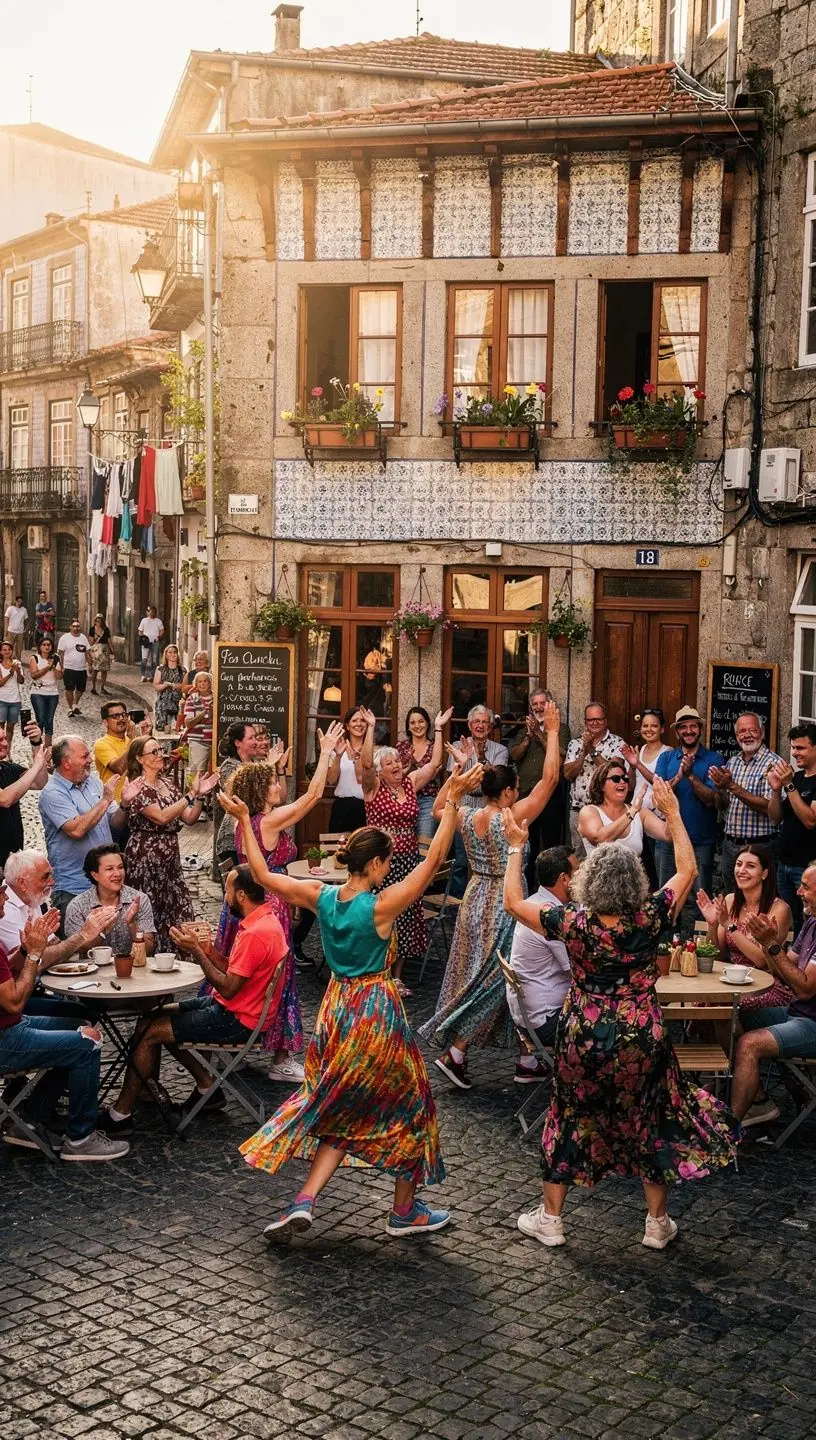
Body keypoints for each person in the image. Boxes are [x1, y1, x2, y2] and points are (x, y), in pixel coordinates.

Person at [220, 762, 483, 1242]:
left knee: (340, 1104)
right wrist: (455, 803)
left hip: (336, 1008)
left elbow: (259, 872)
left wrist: (243, 819)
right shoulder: (381, 906)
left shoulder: (321, 896)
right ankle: (403, 1212)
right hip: (375, 1010)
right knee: (414, 1106)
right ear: (379, 865)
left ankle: (304, 1201)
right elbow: (434, 860)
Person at [503, 776, 739, 1251]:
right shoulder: (650, 916)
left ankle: (551, 1218)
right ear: (635, 882)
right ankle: (656, 1223)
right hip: (641, 1034)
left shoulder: (572, 922)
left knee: (570, 1115)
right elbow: (688, 870)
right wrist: (672, 814)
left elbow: (513, 902)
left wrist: (515, 848)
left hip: (583, 1034)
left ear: (589, 881)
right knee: (652, 1119)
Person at [420, 700, 562, 1091]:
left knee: (484, 972)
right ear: (510, 791)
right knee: (500, 976)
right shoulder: (512, 817)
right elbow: (550, 780)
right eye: (517, 788)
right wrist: (552, 731)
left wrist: (459, 773)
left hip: (474, 894)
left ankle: (527, 1058)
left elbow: (436, 809)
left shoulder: (466, 814)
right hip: (505, 896)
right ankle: (458, 1051)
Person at [102, 865, 289, 1138]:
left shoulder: (255, 934)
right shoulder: (265, 921)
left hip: (237, 1020)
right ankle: (205, 1086)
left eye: (226, 891)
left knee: (151, 1031)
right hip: (239, 1009)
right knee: (152, 1017)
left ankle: (121, 1114)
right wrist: (207, 948)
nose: (224, 898)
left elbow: (227, 988)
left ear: (240, 895)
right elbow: (234, 971)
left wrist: (197, 953)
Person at [214, 720, 344, 1080]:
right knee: (279, 978)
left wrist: (273, 766)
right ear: (261, 792)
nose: (277, 785)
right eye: (271, 782)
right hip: (268, 905)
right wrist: (327, 752)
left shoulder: (249, 819)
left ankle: (226, 1041)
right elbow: (313, 796)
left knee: (240, 973)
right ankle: (281, 1059)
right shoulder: (268, 823)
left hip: (244, 904)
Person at [0, 886, 129, 1161]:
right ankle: (80, 1138)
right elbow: (13, 1002)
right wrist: (35, 954)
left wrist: (24, 949)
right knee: (87, 1043)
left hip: (11, 1025)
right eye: (1, 890)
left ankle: (32, 1119)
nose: (5, 896)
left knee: (78, 1024)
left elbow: (8, 973)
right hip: (6, 1037)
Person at [697, 842, 792, 1128]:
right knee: (705, 1006)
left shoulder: (779, 908)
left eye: (750, 865)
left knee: (722, 1010)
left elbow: (763, 961)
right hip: (731, 984)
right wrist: (714, 925)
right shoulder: (728, 901)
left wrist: (732, 926)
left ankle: (729, 1086)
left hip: (768, 988)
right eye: (739, 864)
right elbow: (718, 954)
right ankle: (752, 1091)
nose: (741, 870)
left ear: (765, 873)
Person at [360, 706, 448, 991]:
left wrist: (437, 727)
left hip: (408, 860)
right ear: (379, 771)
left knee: (406, 917)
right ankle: (378, 973)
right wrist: (371, 728)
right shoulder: (373, 788)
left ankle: (397, 977)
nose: (397, 765)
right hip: (380, 863)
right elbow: (364, 764)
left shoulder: (409, 784)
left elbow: (434, 765)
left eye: (397, 760)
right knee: (382, 916)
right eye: (390, 763)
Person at [730, 863, 816, 1122]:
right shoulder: (811, 922)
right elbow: (779, 969)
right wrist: (769, 943)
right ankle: (756, 1098)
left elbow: (804, 988)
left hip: (812, 1021)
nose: (798, 891)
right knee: (732, 1013)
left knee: (749, 1044)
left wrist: (769, 943)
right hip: (795, 1012)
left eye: (806, 887)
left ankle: (728, 1129)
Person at [122, 736, 219, 950]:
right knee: (149, 909)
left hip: (170, 856)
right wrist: (191, 794)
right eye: (154, 752)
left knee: (175, 908)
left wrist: (201, 796)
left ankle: (171, 956)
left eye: (160, 750)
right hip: (145, 857)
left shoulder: (167, 783)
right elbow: (162, 817)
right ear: (139, 758)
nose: (160, 755)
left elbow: (189, 818)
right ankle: (145, 954)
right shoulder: (138, 787)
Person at [653, 706, 724, 939]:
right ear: (677, 732)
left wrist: (692, 775)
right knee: (667, 897)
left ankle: (694, 948)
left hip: (701, 841)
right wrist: (680, 775)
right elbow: (659, 795)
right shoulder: (666, 758)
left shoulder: (714, 758)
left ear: (700, 729)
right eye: (684, 727)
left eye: (693, 726)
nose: (689, 730)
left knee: (698, 899)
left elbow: (711, 800)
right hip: (668, 840)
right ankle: (666, 946)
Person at [507, 846, 577, 1054]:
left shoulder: (533, 904)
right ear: (564, 879)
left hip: (528, 1016)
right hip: (545, 1023)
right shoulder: (552, 916)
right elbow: (578, 972)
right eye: (578, 871)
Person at [38, 736, 117, 920]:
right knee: (77, 944)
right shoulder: (52, 793)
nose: (90, 760)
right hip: (74, 888)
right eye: (85, 756)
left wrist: (127, 805)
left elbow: (114, 821)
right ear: (66, 763)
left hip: (104, 885)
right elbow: (76, 830)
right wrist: (105, 800)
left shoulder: (92, 782)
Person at [708, 713, 783, 896]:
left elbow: (768, 808)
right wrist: (720, 789)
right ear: (736, 736)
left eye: (752, 730)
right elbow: (722, 806)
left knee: (761, 900)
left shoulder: (774, 763)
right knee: (733, 900)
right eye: (742, 731)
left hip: (761, 846)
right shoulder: (732, 762)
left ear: (762, 733)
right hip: (730, 845)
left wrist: (732, 786)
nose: (747, 735)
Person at [509, 689, 572, 889]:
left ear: (550, 704)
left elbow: (561, 755)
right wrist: (529, 735)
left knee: (552, 842)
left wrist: (541, 734)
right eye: (534, 703)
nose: (538, 707)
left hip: (551, 794)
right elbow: (515, 755)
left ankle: (552, 888)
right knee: (528, 843)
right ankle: (528, 886)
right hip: (526, 794)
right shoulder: (523, 731)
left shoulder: (561, 729)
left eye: (542, 703)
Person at [446, 704, 510, 898]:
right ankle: (455, 905)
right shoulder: (457, 747)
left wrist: (480, 757)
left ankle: (483, 899)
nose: (480, 726)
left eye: (484, 722)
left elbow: (496, 781)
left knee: (486, 860)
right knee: (461, 860)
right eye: (476, 722)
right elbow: (454, 779)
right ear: (469, 724)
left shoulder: (500, 750)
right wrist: (464, 761)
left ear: (490, 726)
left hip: (487, 810)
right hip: (463, 808)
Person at [767, 724, 816, 936]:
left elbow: (810, 820)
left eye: (801, 748)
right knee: (785, 921)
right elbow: (775, 818)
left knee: (809, 921)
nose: (795, 753)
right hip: (785, 863)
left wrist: (789, 786)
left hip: (808, 866)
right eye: (793, 748)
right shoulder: (795, 778)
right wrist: (776, 791)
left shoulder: (796, 782)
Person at [64, 844, 156, 959]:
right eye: (109, 869)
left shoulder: (139, 899)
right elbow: (74, 951)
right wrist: (102, 933)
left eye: (120, 867)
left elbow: (148, 950)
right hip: (92, 974)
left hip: (132, 970)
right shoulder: (77, 906)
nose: (117, 874)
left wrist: (132, 924)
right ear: (95, 875)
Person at [563, 702, 626, 859]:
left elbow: (613, 771)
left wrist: (592, 750)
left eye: (598, 719)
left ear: (605, 721)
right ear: (585, 722)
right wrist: (583, 752)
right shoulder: (575, 743)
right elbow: (568, 774)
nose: (594, 723)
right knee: (580, 857)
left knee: (608, 856)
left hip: (608, 811)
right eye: (590, 720)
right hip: (579, 809)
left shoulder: (618, 742)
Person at [578, 757, 668, 856]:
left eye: (625, 778)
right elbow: (600, 840)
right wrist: (632, 811)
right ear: (601, 785)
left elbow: (668, 835)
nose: (622, 782)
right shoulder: (589, 811)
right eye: (615, 778)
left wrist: (668, 809)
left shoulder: (641, 813)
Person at [396, 705, 453, 838]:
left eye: (421, 721)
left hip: (428, 799)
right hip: (403, 800)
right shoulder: (401, 746)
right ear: (408, 727)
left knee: (425, 841)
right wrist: (409, 769)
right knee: (403, 840)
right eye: (412, 722)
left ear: (427, 723)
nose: (417, 726)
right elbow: (396, 775)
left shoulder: (435, 747)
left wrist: (438, 727)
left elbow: (434, 770)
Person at [0, 723, 48, 868]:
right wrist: (36, 765)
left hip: (10, 855)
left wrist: (36, 744)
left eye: (4, 739)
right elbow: (5, 799)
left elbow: (40, 782)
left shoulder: (8, 768)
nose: (4, 743)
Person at [93, 701, 151, 806]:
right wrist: (134, 742)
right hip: (116, 803)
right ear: (105, 722)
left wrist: (145, 736)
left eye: (124, 715)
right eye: (115, 716)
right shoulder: (101, 744)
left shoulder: (131, 740)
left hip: (138, 800)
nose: (121, 719)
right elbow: (120, 768)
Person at [325, 706, 368, 833]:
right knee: (339, 849)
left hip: (366, 806)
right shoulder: (338, 749)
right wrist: (338, 755)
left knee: (364, 849)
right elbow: (331, 780)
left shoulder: (372, 751)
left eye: (363, 720)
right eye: (354, 720)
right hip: (342, 807)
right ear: (347, 726)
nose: (359, 724)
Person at [28, 636, 61, 749]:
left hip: (52, 693)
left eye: (49, 645)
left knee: (49, 719)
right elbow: (34, 675)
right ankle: (37, 745)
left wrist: (54, 665)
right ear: (40, 647)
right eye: (44, 645)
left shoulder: (55, 658)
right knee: (40, 719)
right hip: (38, 692)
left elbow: (59, 676)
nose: (47, 647)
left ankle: (47, 748)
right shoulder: (34, 658)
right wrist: (48, 667)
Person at [180, 669, 213, 778]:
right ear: (196, 684)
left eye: (205, 681)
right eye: (200, 682)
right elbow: (188, 723)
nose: (203, 684)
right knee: (196, 773)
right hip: (198, 741)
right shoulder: (192, 699)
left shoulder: (216, 698)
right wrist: (204, 713)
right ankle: (192, 793)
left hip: (215, 741)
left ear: (210, 683)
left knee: (214, 773)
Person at [57, 619, 90, 718]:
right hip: (69, 667)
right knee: (69, 688)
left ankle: (75, 704)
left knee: (80, 689)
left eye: (78, 626)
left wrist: (90, 664)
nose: (76, 628)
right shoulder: (65, 638)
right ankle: (70, 708)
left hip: (81, 668)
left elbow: (87, 652)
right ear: (70, 627)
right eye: (74, 626)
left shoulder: (83, 638)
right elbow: (60, 654)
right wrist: (61, 667)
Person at [153, 643, 186, 732]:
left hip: (176, 704)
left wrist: (180, 686)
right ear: (166, 655)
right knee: (162, 730)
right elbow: (156, 686)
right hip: (162, 705)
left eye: (175, 652)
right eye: (170, 652)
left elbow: (186, 686)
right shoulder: (160, 669)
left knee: (176, 730)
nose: (173, 654)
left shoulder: (182, 670)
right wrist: (165, 685)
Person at [0, 639, 25, 746]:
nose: (7, 652)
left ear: (12, 651)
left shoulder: (17, 663)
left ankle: (8, 749)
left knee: (11, 726)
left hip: (15, 700)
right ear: (1, 651)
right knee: (0, 726)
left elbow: (21, 681)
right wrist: (10, 674)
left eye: (9, 649)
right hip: (2, 700)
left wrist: (18, 671)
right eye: (4, 650)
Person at [138, 605, 164, 682]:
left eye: (154, 612)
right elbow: (140, 631)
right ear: (147, 612)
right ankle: (143, 675)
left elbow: (162, 630)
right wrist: (143, 637)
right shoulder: (144, 620)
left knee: (155, 660)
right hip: (146, 643)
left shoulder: (158, 621)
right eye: (151, 611)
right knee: (144, 659)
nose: (152, 613)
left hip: (155, 642)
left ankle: (152, 676)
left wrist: (159, 637)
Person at [4, 594, 28, 660]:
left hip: (20, 632)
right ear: (16, 601)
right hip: (11, 630)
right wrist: (5, 631)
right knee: (9, 646)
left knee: (19, 648)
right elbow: (6, 620)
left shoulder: (24, 610)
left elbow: (26, 620)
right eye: (19, 601)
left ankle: (18, 660)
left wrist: (26, 629)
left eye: (21, 602)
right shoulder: (10, 609)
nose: (20, 603)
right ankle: (8, 659)